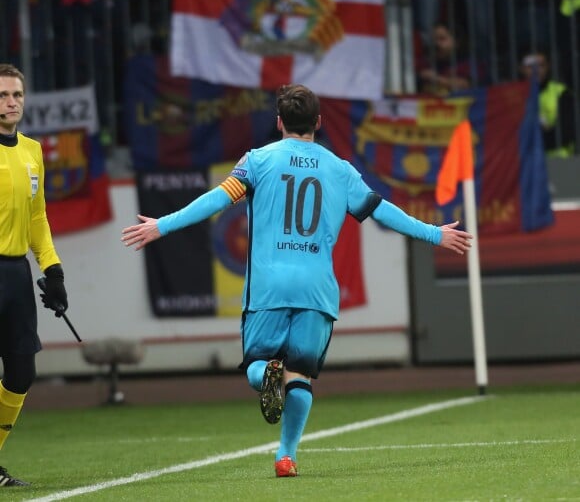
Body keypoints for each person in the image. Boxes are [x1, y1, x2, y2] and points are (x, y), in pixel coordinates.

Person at [121, 84, 472, 478]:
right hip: (316, 289)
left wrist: (162, 226)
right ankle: (285, 456)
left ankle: (263, 375)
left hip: (269, 286)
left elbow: (216, 200)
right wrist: (434, 234)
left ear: (278, 122)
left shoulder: (257, 161)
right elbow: (382, 210)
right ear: (318, 122)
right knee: (299, 376)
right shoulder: (340, 169)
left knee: (258, 363)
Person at [0, 64, 69, 487]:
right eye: (3, 95)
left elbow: (38, 216)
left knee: (21, 372)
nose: (11, 102)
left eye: (17, 95)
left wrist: (53, 270)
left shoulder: (32, 150)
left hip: (15, 275)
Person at [520, 51, 576, 157]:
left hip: (559, 162)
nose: (536, 71)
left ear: (548, 67)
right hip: (526, 164)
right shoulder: (512, 96)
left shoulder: (562, 93)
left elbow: (566, 134)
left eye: (541, 65)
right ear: (521, 68)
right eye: (530, 66)